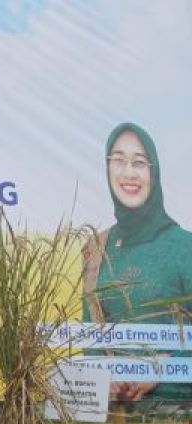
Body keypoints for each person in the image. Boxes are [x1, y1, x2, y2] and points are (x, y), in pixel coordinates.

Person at [82, 122, 192, 402]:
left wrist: (159, 372)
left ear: (153, 172)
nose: (128, 172)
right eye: (118, 160)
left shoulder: (184, 246)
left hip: (176, 417)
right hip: (113, 421)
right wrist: (104, 378)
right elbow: (90, 336)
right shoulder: (96, 249)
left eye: (139, 163)